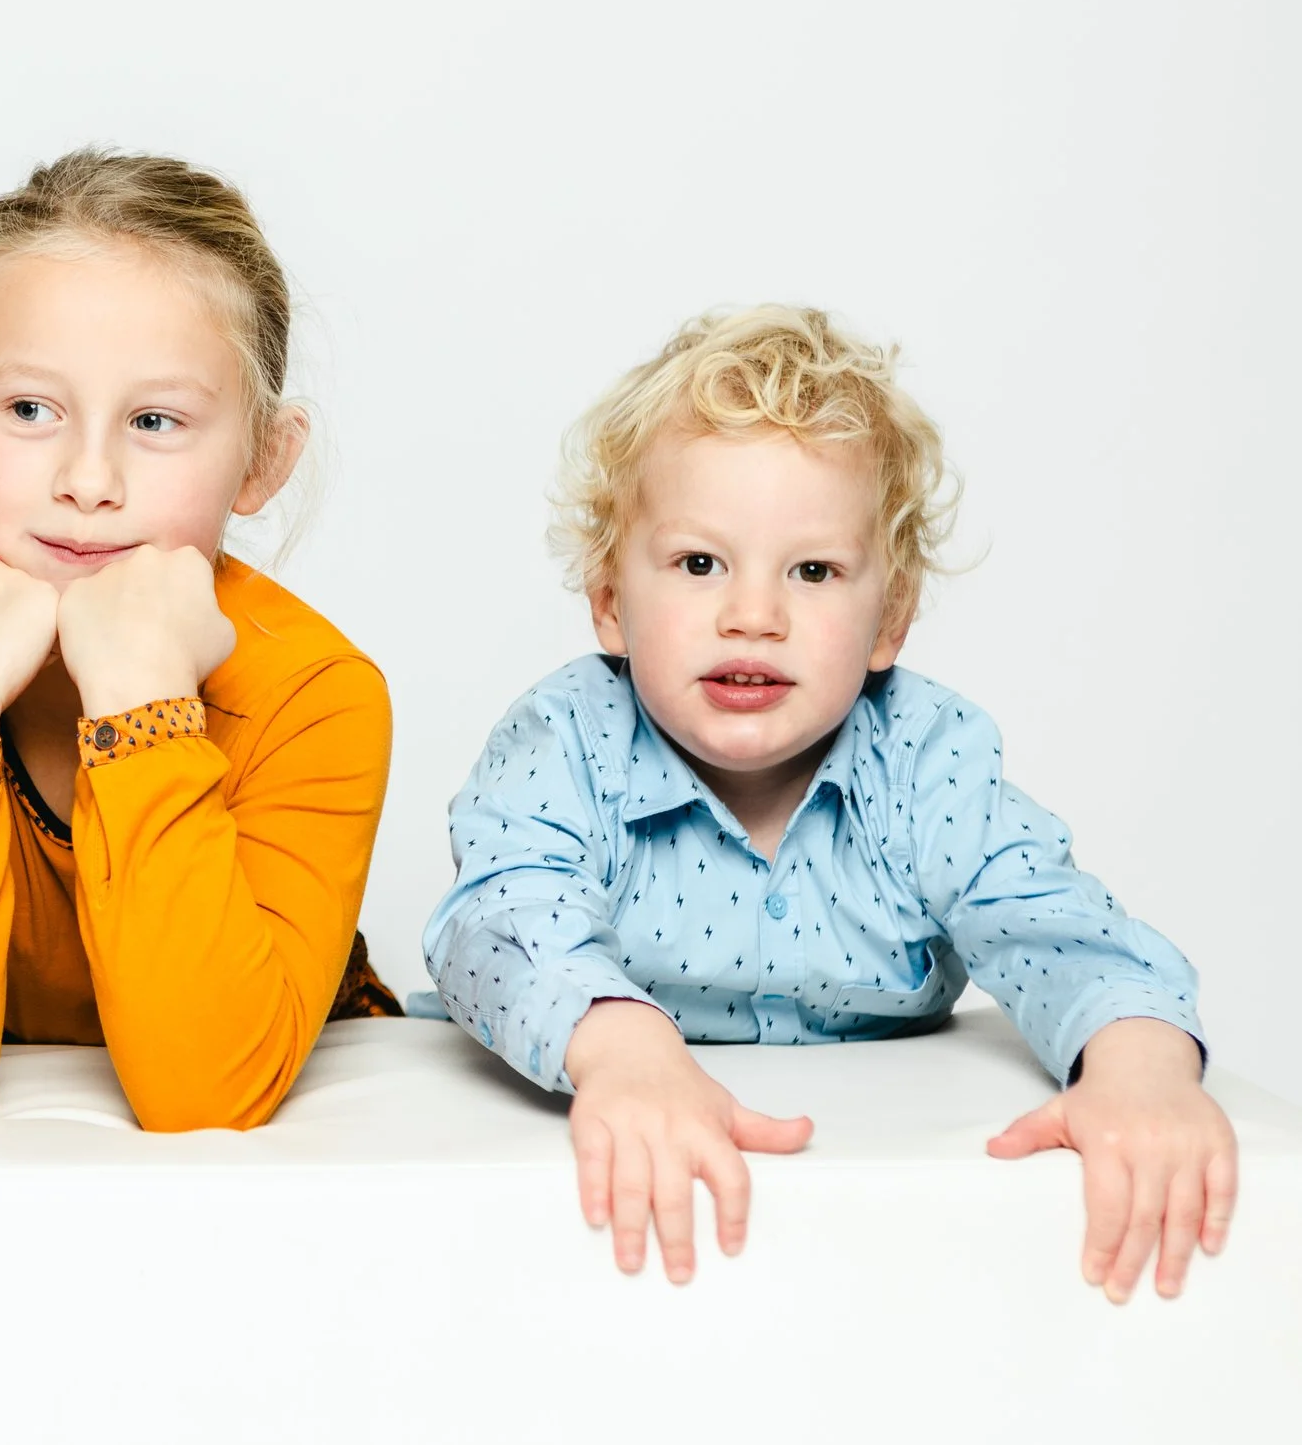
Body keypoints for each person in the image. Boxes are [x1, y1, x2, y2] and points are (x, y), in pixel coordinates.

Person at [422, 305, 1235, 1299]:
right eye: (697, 563)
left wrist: (1137, 1064)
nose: (752, 615)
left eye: (812, 571)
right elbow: (499, 912)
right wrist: (621, 1049)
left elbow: (1053, 921)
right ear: (607, 602)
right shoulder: (566, 737)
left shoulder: (923, 758)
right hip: (592, 1111)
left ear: (886, 620)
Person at [0, 149, 399, 1131]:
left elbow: (206, 1094)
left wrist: (143, 693)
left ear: (261, 462)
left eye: (155, 419)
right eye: (28, 410)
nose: (88, 478)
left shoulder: (316, 694)